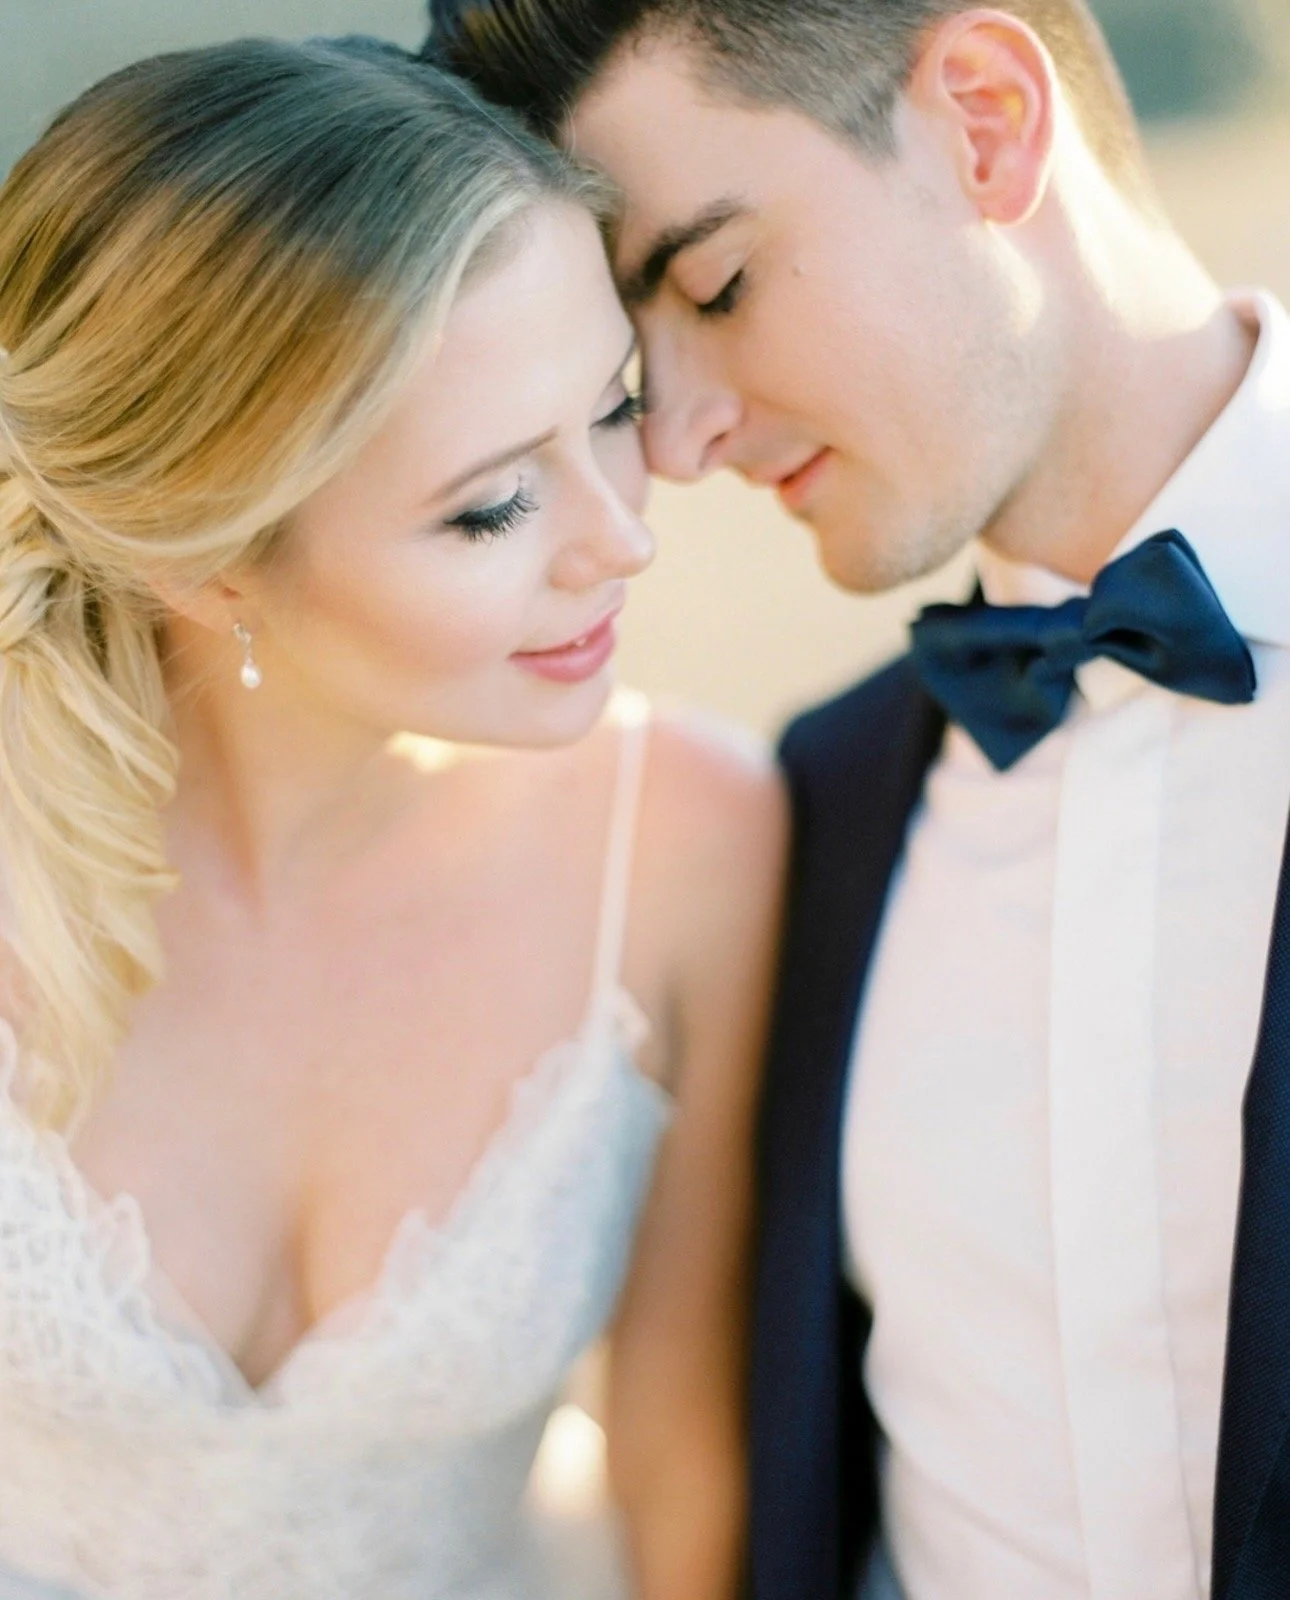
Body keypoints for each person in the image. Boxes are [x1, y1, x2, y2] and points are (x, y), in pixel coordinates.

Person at [424, 3, 1290, 1599]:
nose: (673, 441)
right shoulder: (808, 814)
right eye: (639, 357)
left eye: (716, 286)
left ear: (980, 118)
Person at [0, 35, 785, 1600]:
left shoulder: (684, 838)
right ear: (207, 556)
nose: (618, 539)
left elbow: (679, 1467)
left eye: (612, 410)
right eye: (492, 503)